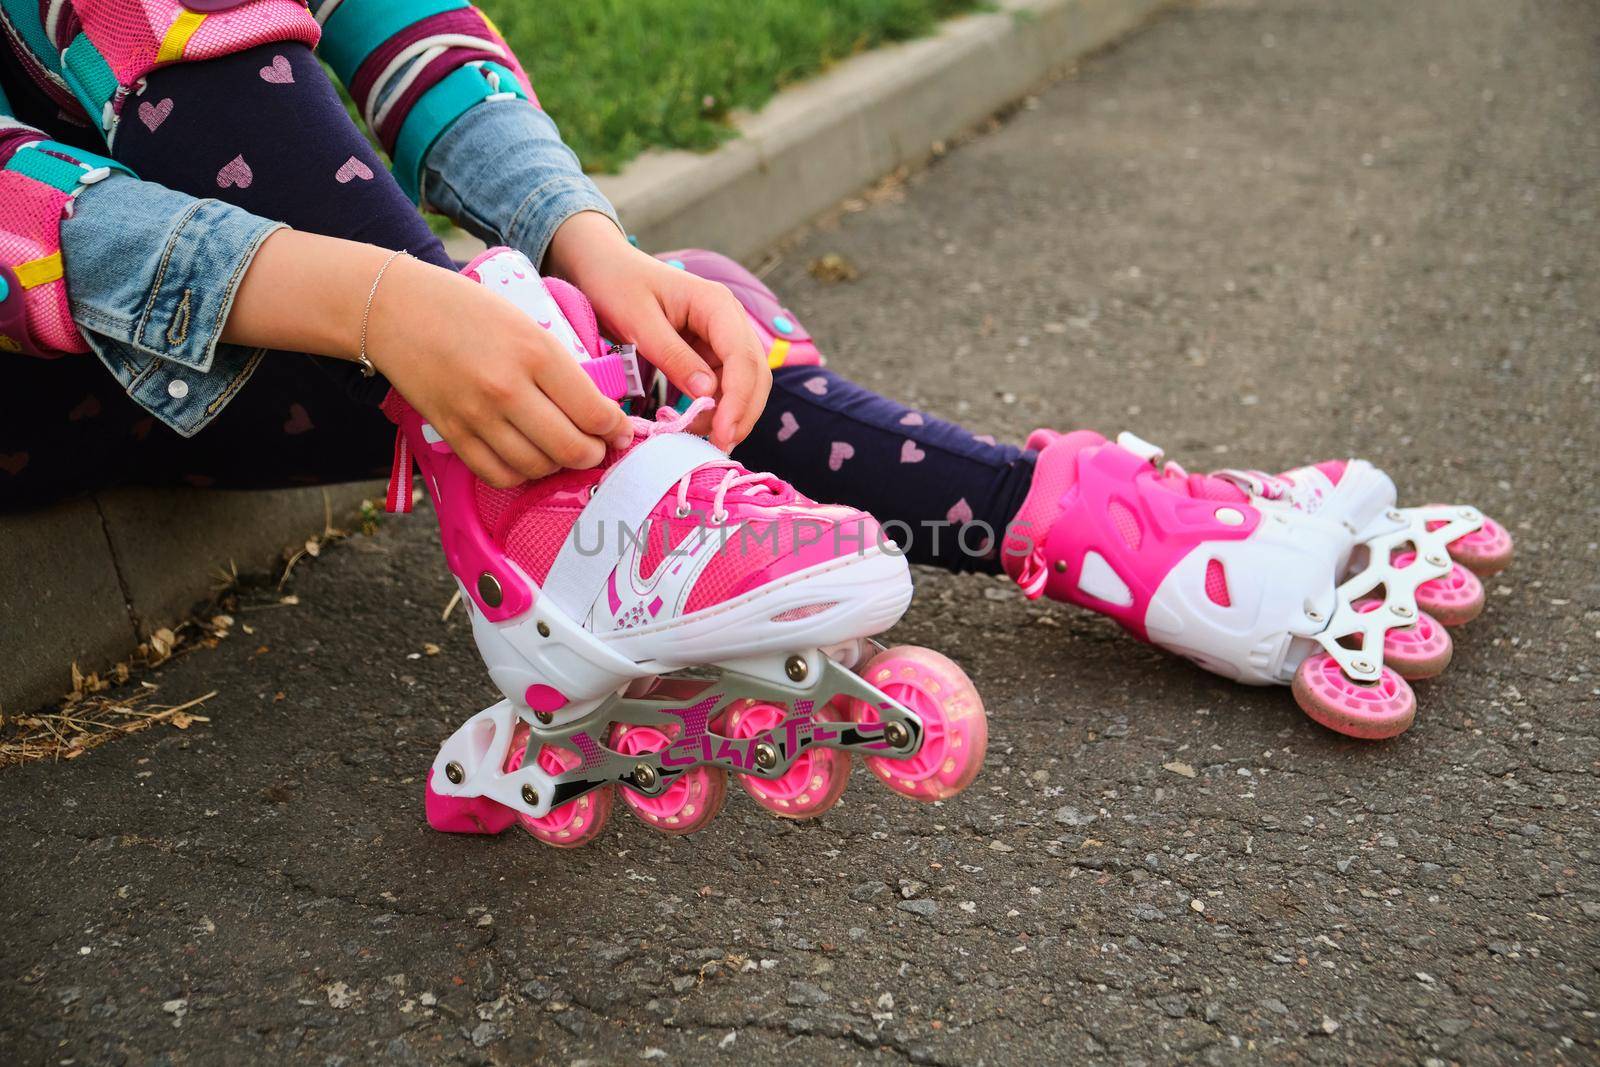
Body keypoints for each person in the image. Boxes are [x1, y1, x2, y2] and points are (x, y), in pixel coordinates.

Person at [0, 1, 1509, 775]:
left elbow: (394, 29)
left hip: (176, 307)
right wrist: (394, 301)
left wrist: (588, 251)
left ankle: (1109, 532)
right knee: (520, 334)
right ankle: (576, 510)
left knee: (660, 313)